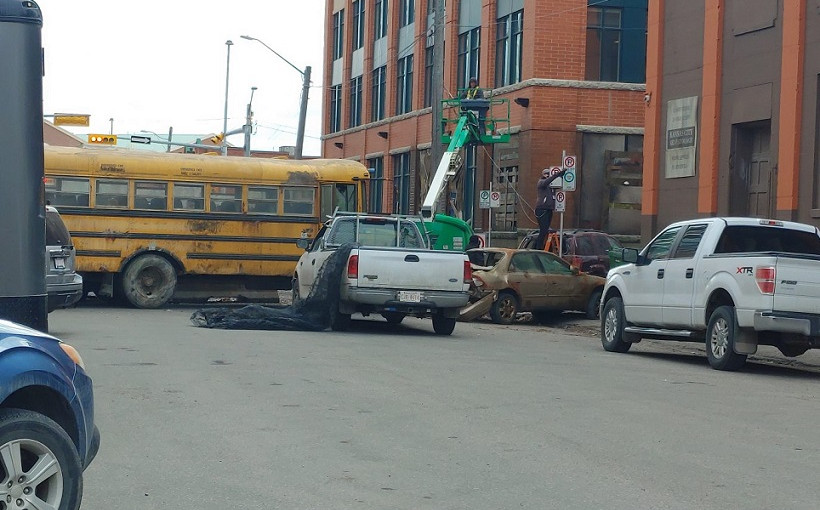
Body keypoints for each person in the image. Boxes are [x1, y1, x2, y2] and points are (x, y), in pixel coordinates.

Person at [534, 168, 568, 251]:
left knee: (547, 230)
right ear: (543, 175)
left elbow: (558, 183)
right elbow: (547, 181)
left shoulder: (551, 185)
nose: (548, 175)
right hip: (542, 209)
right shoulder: (541, 182)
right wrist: (557, 174)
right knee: (544, 229)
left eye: (549, 174)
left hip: (549, 209)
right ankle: (538, 248)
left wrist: (561, 177)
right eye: (546, 174)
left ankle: (547, 247)